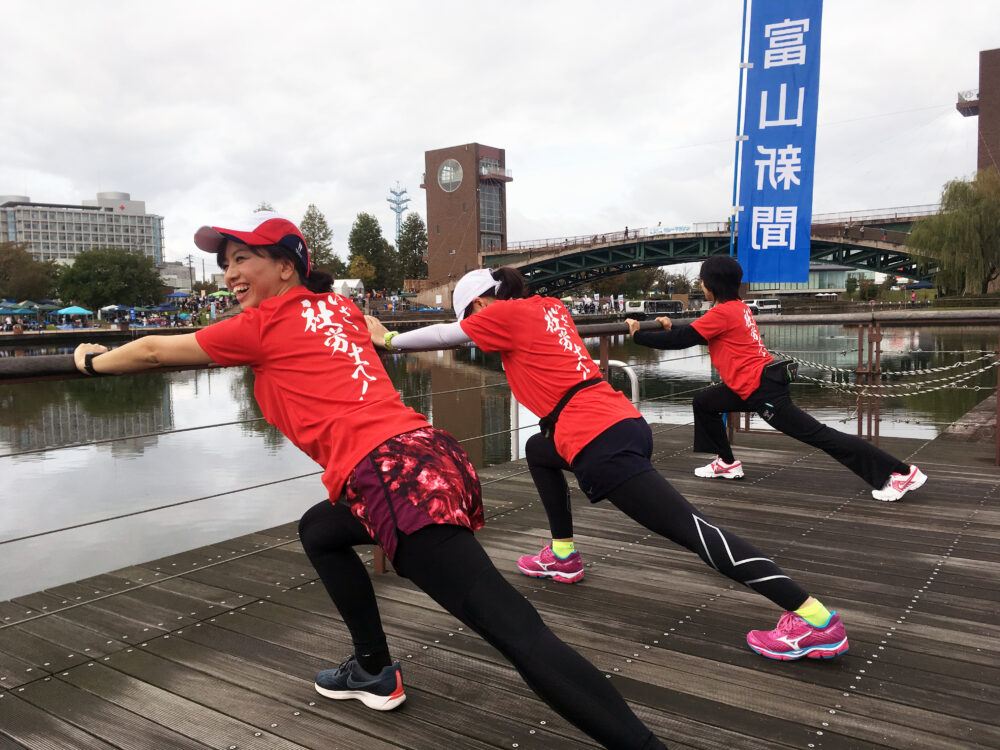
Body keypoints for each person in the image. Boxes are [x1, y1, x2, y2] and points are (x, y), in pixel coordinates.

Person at [72, 213, 665, 750]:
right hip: (429, 457)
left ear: (285, 266)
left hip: (392, 476)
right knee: (321, 530)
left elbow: (151, 351)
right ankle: (373, 668)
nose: (229, 273)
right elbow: (366, 330)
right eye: (225, 263)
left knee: (517, 631)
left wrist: (91, 360)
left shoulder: (264, 323)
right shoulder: (340, 310)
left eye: (242, 260)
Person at [367, 266, 850, 662]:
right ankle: (561, 555)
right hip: (619, 419)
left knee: (694, 531)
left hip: (599, 439)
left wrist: (387, 338)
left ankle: (813, 618)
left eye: (471, 317)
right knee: (539, 452)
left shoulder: (500, 315)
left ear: (478, 306)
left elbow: (444, 336)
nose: (476, 329)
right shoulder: (548, 308)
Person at [626, 255, 926, 503]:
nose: (701, 285)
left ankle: (899, 473)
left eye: (702, 281)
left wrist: (639, 335)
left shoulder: (723, 313)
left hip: (760, 389)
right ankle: (727, 463)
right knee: (704, 402)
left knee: (820, 435)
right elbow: (700, 335)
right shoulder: (735, 309)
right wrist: (667, 329)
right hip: (753, 383)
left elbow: (684, 340)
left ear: (711, 284)